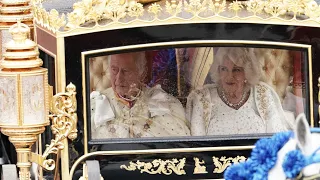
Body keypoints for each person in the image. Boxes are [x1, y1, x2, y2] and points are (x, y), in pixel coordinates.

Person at [186, 47, 294, 136]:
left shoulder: (263, 93)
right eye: (224, 69)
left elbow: (276, 137)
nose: (229, 76)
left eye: (236, 70)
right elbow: (197, 142)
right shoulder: (202, 97)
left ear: (247, 72)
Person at [90, 52, 190, 139]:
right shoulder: (95, 103)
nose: (118, 78)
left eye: (125, 71)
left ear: (142, 72)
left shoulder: (161, 101)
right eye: (114, 70)